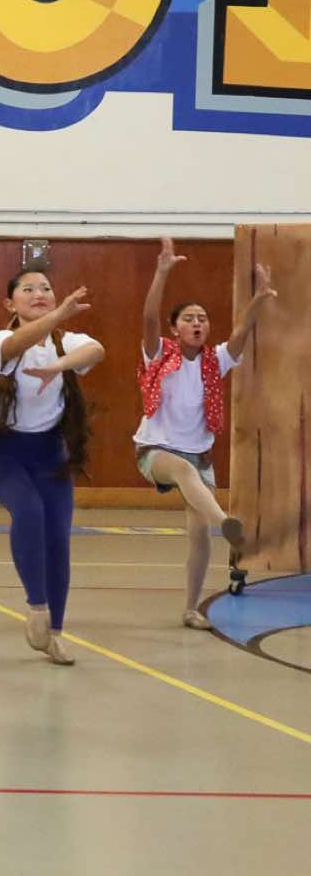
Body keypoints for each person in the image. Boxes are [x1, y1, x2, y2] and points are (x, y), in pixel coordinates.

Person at [0, 267, 102, 664]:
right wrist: (59, 315)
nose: (39, 294)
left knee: (59, 539)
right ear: (9, 303)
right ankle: (37, 608)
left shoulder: (66, 342)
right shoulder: (1, 340)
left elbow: (95, 351)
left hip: (50, 454)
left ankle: (56, 634)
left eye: (46, 288)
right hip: (3, 453)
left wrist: (57, 367)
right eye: (28, 289)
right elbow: (18, 343)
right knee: (29, 511)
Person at [135, 238, 277, 627]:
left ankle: (190, 609)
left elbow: (242, 330)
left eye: (202, 318)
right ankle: (225, 522)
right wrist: (162, 271)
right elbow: (148, 317)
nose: (197, 323)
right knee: (182, 470)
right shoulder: (159, 353)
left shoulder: (215, 361)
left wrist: (259, 298)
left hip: (199, 454)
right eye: (188, 318)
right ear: (174, 328)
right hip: (156, 450)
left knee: (198, 535)